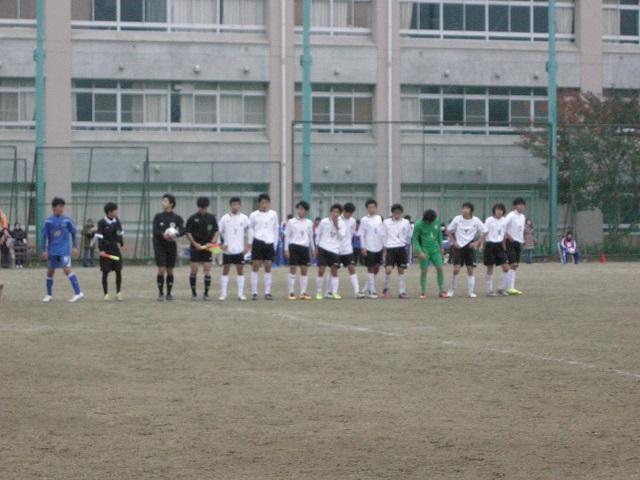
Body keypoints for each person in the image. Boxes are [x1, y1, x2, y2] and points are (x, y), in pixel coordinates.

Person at [41, 197, 84, 303]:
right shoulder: (48, 221)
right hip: (52, 250)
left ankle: (78, 293)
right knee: (50, 272)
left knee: (66, 269)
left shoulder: (67, 220)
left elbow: (73, 233)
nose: (62, 209)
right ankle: (49, 295)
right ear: (54, 208)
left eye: (63, 207)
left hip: (64, 250)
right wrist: (44, 250)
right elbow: (44, 237)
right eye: (60, 206)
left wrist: (75, 247)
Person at [446, 202, 487, 298]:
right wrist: (454, 242)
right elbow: (448, 231)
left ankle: (471, 292)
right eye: (463, 208)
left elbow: (485, 231)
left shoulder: (476, 220)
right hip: (459, 247)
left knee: (470, 269)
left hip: (469, 247)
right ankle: (451, 290)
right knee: (456, 269)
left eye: (467, 208)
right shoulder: (457, 219)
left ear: (471, 210)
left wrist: (477, 243)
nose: (464, 210)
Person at [185, 197, 219, 301]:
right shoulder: (192, 218)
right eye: (201, 208)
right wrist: (194, 243)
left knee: (207, 269)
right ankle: (194, 294)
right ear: (198, 207)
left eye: (205, 208)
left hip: (208, 247)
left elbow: (216, 231)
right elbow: (188, 232)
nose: (203, 210)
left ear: (207, 207)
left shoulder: (212, 218)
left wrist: (212, 242)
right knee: (194, 270)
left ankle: (206, 294)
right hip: (196, 247)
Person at [218, 197, 252, 301]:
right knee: (225, 270)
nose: (235, 207)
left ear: (240, 206)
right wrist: (220, 245)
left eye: (237, 205)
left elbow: (250, 231)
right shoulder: (224, 218)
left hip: (239, 250)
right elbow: (218, 232)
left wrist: (248, 245)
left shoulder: (244, 218)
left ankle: (240, 294)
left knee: (240, 270)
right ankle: (223, 294)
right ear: (230, 206)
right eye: (233, 205)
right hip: (227, 250)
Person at [152, 193, 185, 301]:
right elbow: (155, 230)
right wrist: (163, 235)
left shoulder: (177, 218)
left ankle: (169, 293)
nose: (163, 203)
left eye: (165, 201)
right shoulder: (158, 217)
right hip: (159, 245)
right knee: (161, 269)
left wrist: (176, 234)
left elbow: (183, 230)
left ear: (171, 204)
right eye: (163, 201)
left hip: (171, 246)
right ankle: (161, 293)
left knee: (170, 270)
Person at [249, 193, 279, 300]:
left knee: (268, 266)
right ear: (259, 203)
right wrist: (250, 243)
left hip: (269, 242)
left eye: (266, 202)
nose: (264, 205)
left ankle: (267, 292)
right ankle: (254, 292)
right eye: (262, 203)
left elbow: (275, 229)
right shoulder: (253, 215)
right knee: (255, 266)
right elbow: (251, 229)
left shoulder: (273, 214)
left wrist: (275, 244)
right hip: (257, 241)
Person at [412, 209, 448, 299]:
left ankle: (442, 290)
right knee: (424, 271)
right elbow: (415, 239)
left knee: (440, 268)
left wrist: (441, 247)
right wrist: (419, 251)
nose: (428, 222)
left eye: (430, 221)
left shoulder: (437, 222)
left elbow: (439, 235)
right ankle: (423, 291)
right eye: (427, 221)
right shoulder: (418, 224)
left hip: (436, 250)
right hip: (424, 251)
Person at [284, 201, 315, 300]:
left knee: (304, 270)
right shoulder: (291, 222)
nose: (301, 211)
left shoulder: (309, 222)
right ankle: (291, 292)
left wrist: (313, 249)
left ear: (306, 211)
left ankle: (303, 292)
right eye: (299, 209)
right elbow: (287, 236)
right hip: (294, 246)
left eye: (303, 209)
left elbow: (311, 237)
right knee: (293, 268)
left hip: (304, 247)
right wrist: (286, 249)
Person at [314, 203, 346, 300]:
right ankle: (319, 293)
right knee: (321, 270)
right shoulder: (324, 221)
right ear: (331, 212)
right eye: (334, 212)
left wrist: (337, 226)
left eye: (337, 212)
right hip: (323, 248)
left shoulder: (342, 223)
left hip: (335, 249)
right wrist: (316, 247)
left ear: (340, 214)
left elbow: (342, 236)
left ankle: (334, 292)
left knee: (334, 271)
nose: (335, 214)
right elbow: (318, 234)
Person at [381, 204, 413, 299]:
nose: (397, 215)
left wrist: (405, 244)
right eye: (395, 213)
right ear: (392, 213)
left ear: (401, 213)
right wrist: (385, 249)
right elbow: (383, 235)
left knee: (401, 270)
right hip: (390, 248)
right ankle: (386, 289)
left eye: (399, 213)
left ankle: (402, 292)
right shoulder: (386, 222)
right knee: (388, 269)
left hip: (401, 248)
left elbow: (409, 235)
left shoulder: (406, 222)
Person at [96, 202, 124, 301]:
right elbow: (99, 237)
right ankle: (106, 294)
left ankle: (118, 293)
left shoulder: (117, 221)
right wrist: (101, 250)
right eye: (115, 210)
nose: (116, 212)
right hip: (106, 250)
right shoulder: (101, 222)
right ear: (109, 212)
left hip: (115, 249)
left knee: (118, 271)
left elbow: (120, 233)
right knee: (105, 272)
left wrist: (121, 244)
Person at [337, 202, 365, 299]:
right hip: (336, 248)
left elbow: (353, 234)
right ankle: (330, 291)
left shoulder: (352, 221)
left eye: (351, 213)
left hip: (347, 248)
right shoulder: (337, 219)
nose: (349, 215)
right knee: (334, 269)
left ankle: (357, 291)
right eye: (347, 212)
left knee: (351, 267)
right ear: (343, 211)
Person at [483, 203, 510, 297]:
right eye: (497, 209)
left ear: (503, 211)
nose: (499, 211)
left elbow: (504, 235)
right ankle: (489, 289)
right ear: (494, 210)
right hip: (490, 244)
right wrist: (482, 244)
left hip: (499, 246)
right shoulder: (489, 220)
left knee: (506, 267)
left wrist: (505, 248)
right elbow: (484, 232)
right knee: (490, 267)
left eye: (501, 210)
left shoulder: (504, 221)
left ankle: (501, 288)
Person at [360, 199, 384, 298]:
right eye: (369, 207)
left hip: (379, 246)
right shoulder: (364, 219)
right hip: (369, 246)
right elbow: (361, 234)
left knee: (377, 268)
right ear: (367, 208)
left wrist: (385, 246)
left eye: (373, 207)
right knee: (370, 268)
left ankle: (365, 289)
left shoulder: (380, 218)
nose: (371, 209)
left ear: (376, 208)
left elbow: (383, 232)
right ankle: (372, 291)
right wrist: (363, 247)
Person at [504, 198, 527, 295]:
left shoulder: (523, 217)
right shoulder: (511, 215)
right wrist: (508, 236)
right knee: (512, 264)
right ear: (515, 206)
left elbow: (521, 229)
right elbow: (503, 225)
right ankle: (509, 288)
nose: (521, 206)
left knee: (515, 265)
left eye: (523, 205)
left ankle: (510, 287)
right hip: (510, 242)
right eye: (519, 204)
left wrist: (523, 239)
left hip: (518, 242)